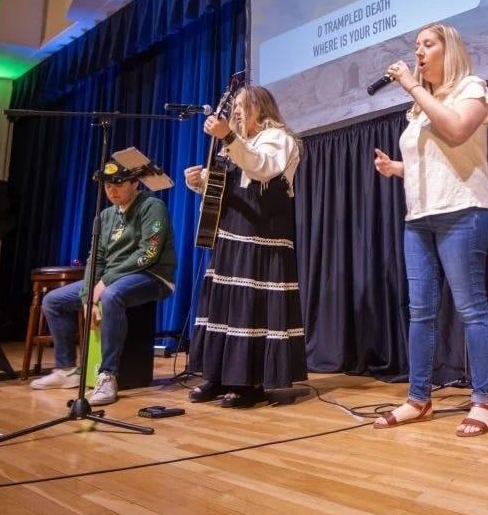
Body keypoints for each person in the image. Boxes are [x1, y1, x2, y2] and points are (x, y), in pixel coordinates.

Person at [372, 23, 488, 437]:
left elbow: (458, 131)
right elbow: (433, 158)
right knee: (421, 313)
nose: (419, 52)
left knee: (471, 309)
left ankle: (484, 401)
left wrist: (412, 86)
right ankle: (418, 399)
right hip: (420, 216)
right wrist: (397, 168)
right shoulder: (419, 107)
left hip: (464, 210)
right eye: (416, 47)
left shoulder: (473, 88)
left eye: (428, 44)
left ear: (451, 48)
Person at [184, 85, 306, 408]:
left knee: (250, 309)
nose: (236, 111)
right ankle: (217, 375)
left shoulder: (279, 139)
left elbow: (262, 167)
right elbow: (230, 188)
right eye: (234, 106)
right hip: (231, 237)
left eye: (242, 105)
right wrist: (201, 182)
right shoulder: (238, 144)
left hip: (261, 238)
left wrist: (228, 137)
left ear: (261, 107)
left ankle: (249, 382)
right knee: (224, 306)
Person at [30, 160, 176, 406]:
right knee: (53, 301)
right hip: (111, 280)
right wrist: (88, 296)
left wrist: (105, 282)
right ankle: (66, 370)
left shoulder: (152, 206)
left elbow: (149, 252)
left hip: (152, 275)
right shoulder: (105, 216)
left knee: (111, 296)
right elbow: (94, 259)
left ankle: (108, 375)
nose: (112, 190)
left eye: (118, 184)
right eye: (108, 185)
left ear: (135, 182)